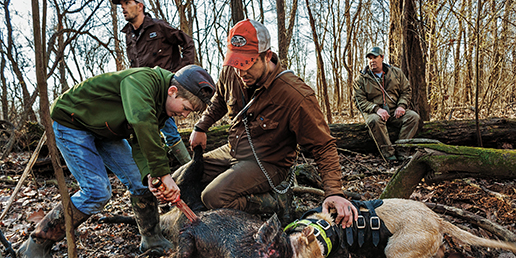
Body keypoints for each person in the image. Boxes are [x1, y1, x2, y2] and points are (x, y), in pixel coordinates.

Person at [17, 65, 215, 258]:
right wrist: (163, 173)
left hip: (106, 130)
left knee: (140, 183)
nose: (184, 114)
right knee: (97, 191)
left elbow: (141, 139)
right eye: (185, 108)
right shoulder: (142, 80)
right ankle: (35, 245)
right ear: (173, 91)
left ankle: (152, 238)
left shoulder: (161, 106)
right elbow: (140, 121)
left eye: (189, 113)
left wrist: (151, 174)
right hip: (73, 122)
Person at [185, 19, 357, 227]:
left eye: (247, 64)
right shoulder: (232, 72)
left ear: (266, 56)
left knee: (213, 197)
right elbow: (220, 99)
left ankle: (274, 202)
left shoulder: (295, 95)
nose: (240, 72)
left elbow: (323, 146)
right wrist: (201, 127)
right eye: (236, 63)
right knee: (182, 178)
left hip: (269, 163)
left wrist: (335, 193)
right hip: (233, 150)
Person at [114, 0, 196, 165]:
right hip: (141, 92)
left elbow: (188, 43)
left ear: (140, 5)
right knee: (143, 132)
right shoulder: (128, 34)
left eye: (127, 2)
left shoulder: (159, 27)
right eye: (120, 3)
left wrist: (179, 74)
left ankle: (190, 169)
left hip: (163, 90)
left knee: (169, 131)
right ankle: (154, 175)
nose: (122, 7)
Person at [353, 46, 420, 161]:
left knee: (413, 117)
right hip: (374, 112)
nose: (372, 61)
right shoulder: (361, 79)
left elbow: (406, 91)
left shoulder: (396, 73)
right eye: (369, 58)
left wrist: (401, 105)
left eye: (375, 57)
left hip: (394, 110)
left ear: (382, 57)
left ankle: (402, 151)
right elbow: (359, 100)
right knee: (374, 120)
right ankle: (389, 155)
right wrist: (376, 109)